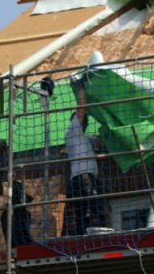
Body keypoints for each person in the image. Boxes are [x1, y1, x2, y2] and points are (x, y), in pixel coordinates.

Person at [63, 78, 108, 236]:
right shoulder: (73, 131)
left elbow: (102, 143)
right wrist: (80, 87)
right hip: (82, 178)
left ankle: (98, 236)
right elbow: (81, 108)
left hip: (88, 178)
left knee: (97, 209)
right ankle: (84, 238)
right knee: (86, 211)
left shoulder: (84, 139)